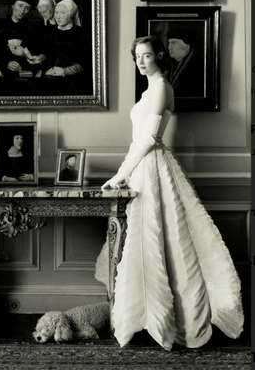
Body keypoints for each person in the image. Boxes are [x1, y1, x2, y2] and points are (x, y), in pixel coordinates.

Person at [95, 35, 243, 350]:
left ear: (159, 57)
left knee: (165, 239)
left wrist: (120, 173)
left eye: (146, 55)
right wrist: (125, 173)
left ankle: (175, 321)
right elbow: (138, 142)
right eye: (136, 56)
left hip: (155, 167)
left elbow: (148, 138)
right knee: (146, 239)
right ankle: (147, 318)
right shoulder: (150, 89)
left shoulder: (162, 87)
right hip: (143, 169)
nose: (140, 61)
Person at [0, 0, 37, 75]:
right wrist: (6, 64)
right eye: (20, 6)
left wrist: (24, 54)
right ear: (12, 5)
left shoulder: (32, 29)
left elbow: (34, 52)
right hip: (2, 70)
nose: (22, 11)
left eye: (27, 8)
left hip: (24, 70)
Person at [45, 0, 91, 78]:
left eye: (63, 12)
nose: (58, 17)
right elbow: (47, 53)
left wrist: (64, 71)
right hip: (50, 75)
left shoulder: (81, 33)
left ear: (70, 14)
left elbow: (85, 61)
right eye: (56, 12)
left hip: (73, 78)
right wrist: (39, 58)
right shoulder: (51, 31)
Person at [167, 28, 204, 98]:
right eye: (169, 43)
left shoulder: (198, 67)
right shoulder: (169, 64)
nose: (169, 47)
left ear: (186, 47)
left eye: (173, 43)